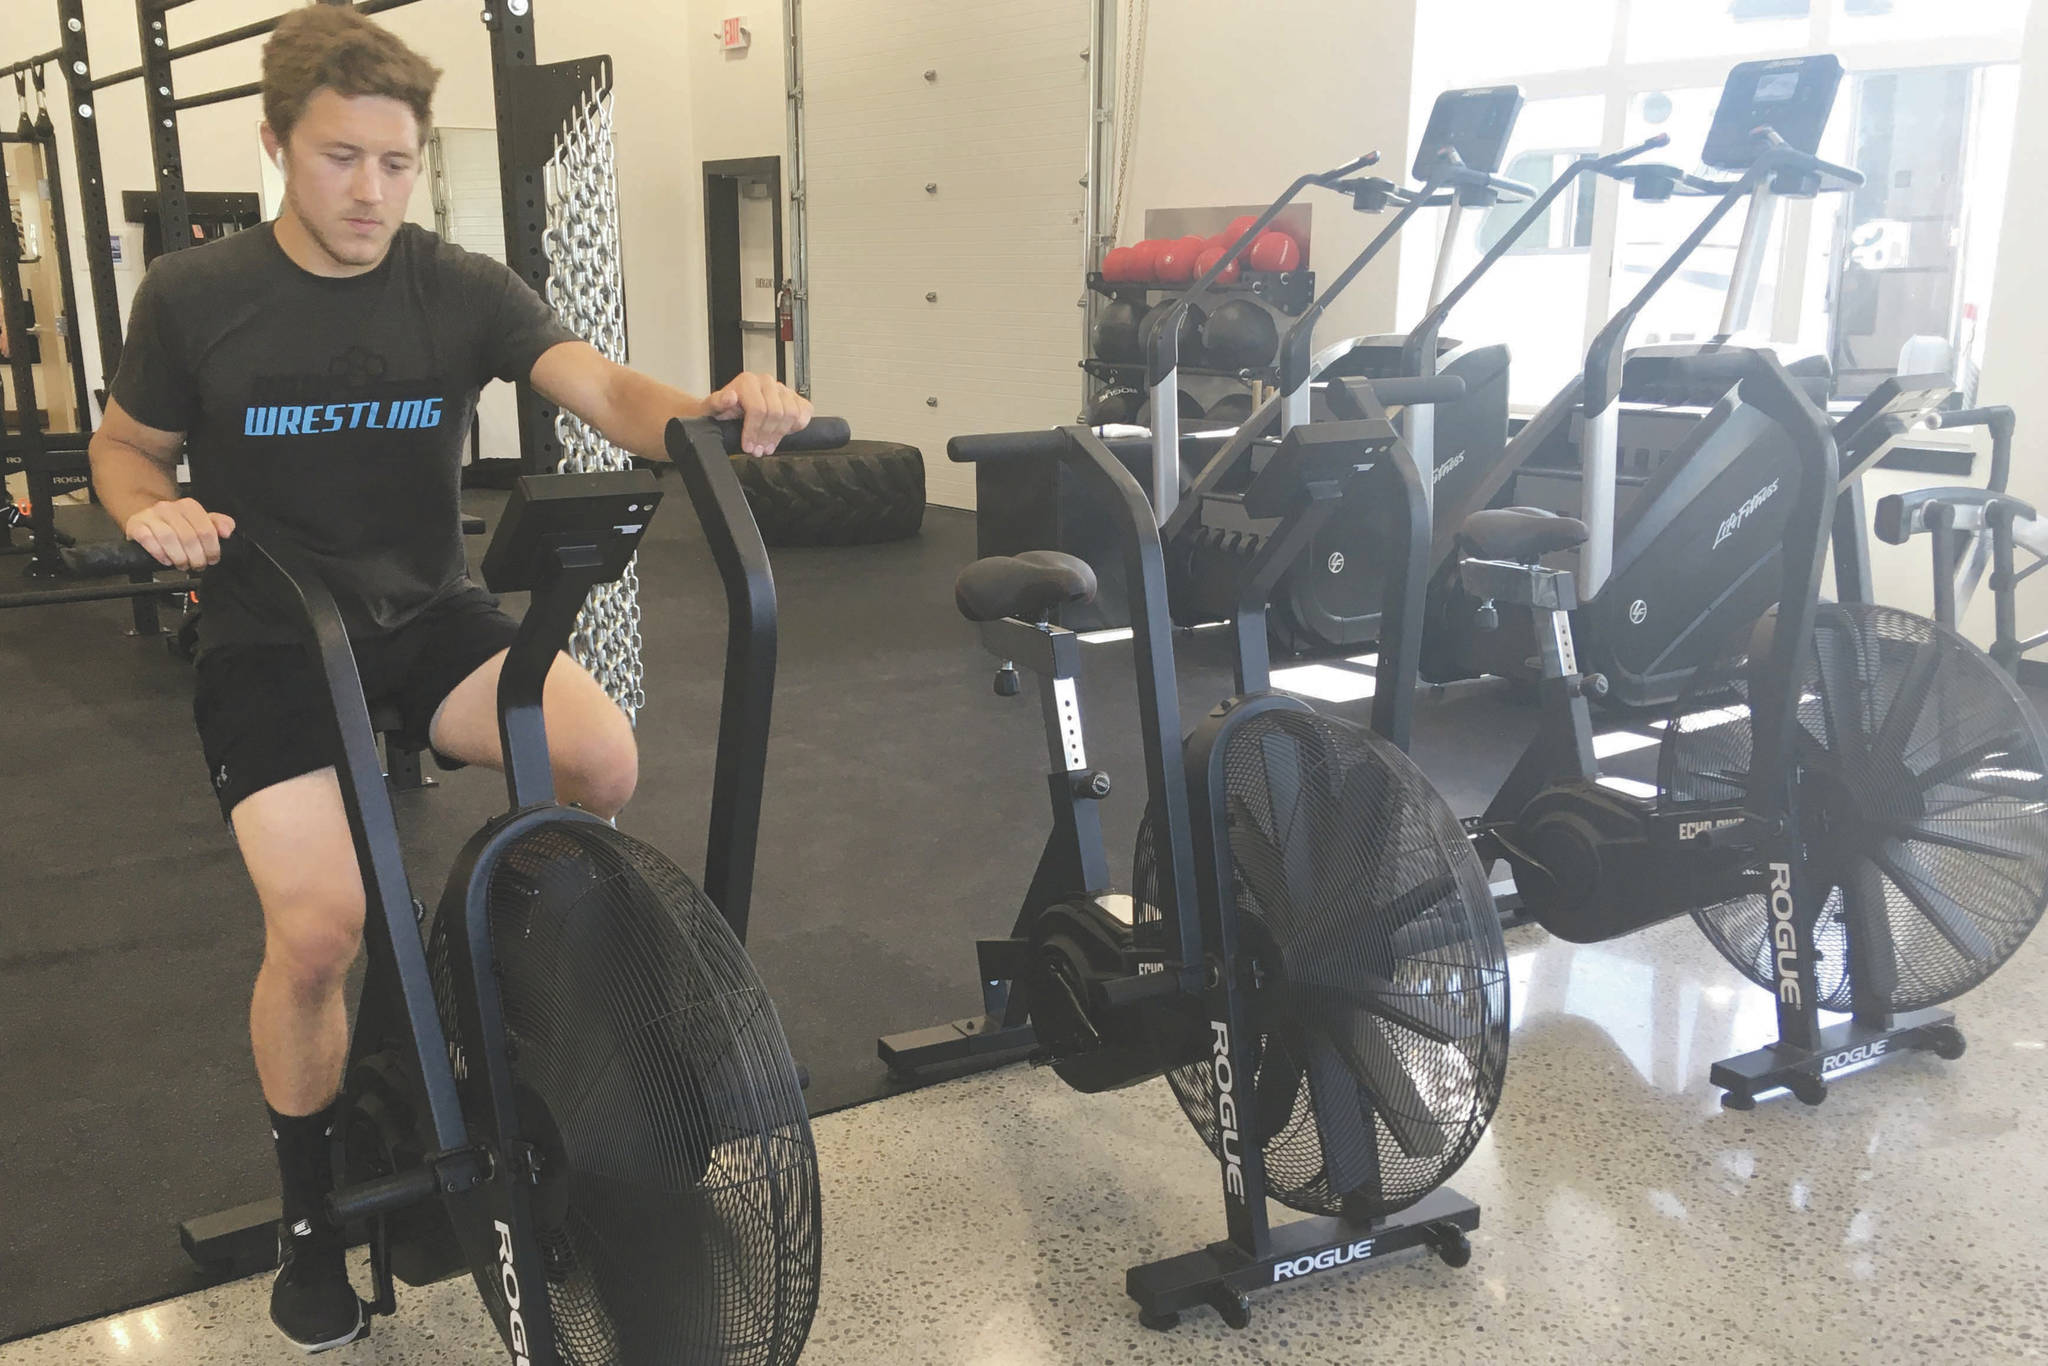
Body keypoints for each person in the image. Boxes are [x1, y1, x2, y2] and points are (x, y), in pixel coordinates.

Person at [85, 4, 811, 1352]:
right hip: (275, 636)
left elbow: (595, 383)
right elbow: (123, 447)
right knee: (317, 929)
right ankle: (309, 1210)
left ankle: (510, 999)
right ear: (277, 144)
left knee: (600, 759)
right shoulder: (195, 297)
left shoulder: (455, 284)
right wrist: (147, 509)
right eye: (340, 159)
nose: (370, 192)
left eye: (396, 163)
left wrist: (708, 415)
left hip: (432, 617)